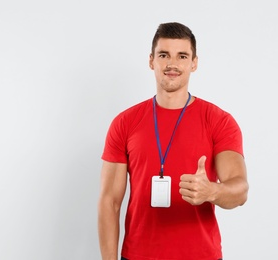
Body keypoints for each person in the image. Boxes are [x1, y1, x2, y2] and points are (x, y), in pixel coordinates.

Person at [98, 22, 248, 260]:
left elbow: (240, 190)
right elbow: (110, 201)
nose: (172, 64)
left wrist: (212, 191)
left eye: (182, 56)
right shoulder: (124, 123)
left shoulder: (219, 121)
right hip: (138, 255)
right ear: (151, 61)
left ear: (194, 63)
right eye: (164, 55)